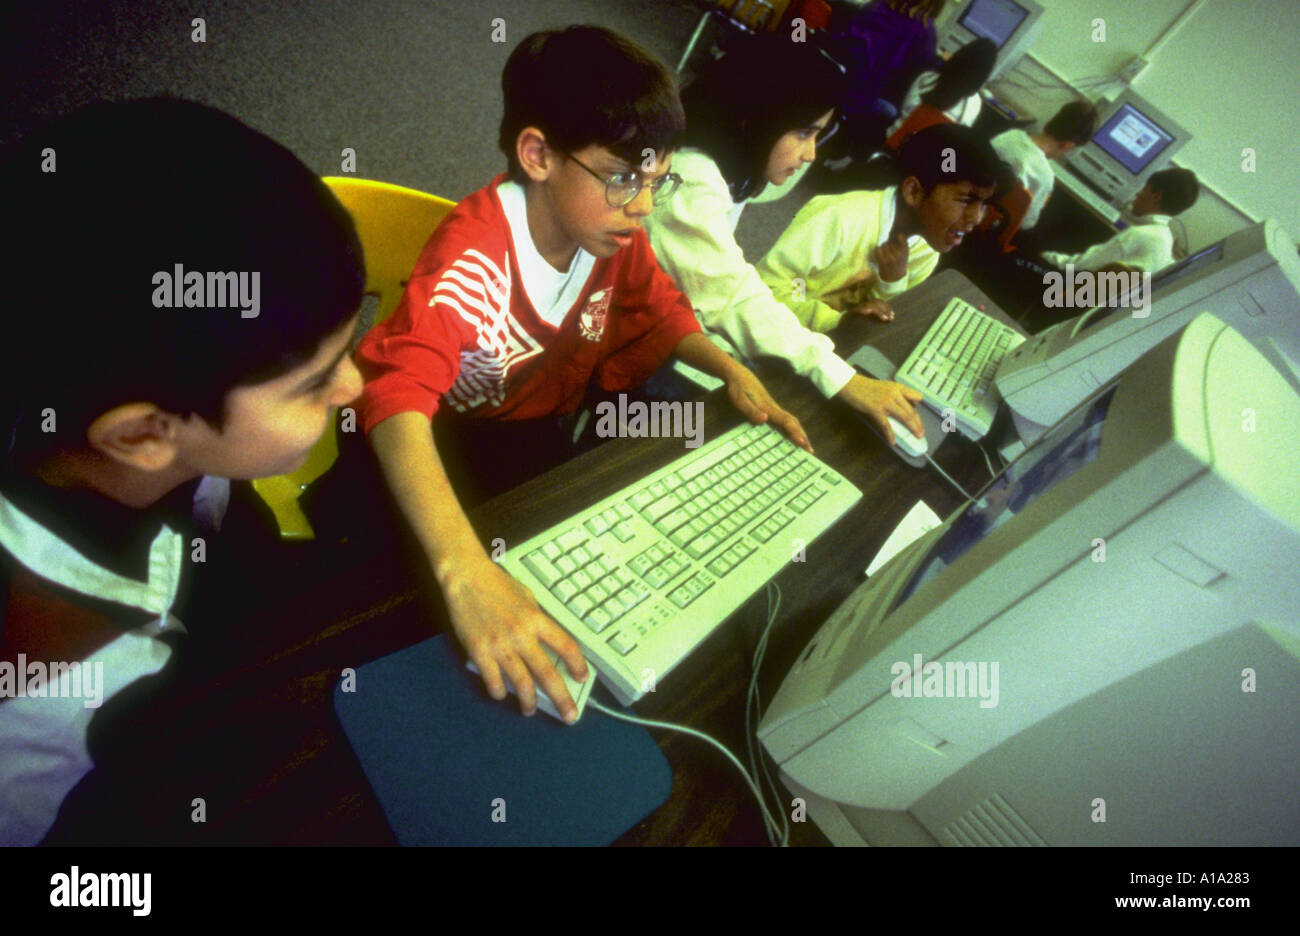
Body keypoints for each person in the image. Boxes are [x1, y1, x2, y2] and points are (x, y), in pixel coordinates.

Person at [354, 26, 809, 724]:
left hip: (534, 424)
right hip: (443, 435)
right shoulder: (473, 266)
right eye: (623, 178)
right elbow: (395, 394)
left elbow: (655, 304)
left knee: (604, 519)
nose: (645, 208)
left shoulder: (605, 233)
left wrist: (728, 369)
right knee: (420, 618)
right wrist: (464, 571)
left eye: (656, 182)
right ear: (537, 155)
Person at [0, 98, 366, 845]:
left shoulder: (122, 417)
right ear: (142, 435)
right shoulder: (64, 700)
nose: (354, 387)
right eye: (312, 384)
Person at [643, 34, 926, 448]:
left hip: (668, 325)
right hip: (624, 352)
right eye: (803, 132)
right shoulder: (692, 181)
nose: (811, 154)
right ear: (754, 116)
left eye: (818, 135)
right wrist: (838, 375)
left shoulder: (721, 167)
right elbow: (732, 296)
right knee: (737, 436)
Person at [756, 123, 1007, 333]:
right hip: (767, 331)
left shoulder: (927, 250)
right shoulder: (841, 217)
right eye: (965, 200)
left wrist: (892, 283)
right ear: (914, 191)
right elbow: (770, 287)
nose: (976, 218)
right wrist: (835, 320)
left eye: (984, 204)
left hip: (823, 346)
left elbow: (883, 321)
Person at [1042, 168, 1199, 273]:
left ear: (1157, 196)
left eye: (1145, 189)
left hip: (1064, 291)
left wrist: (1042, 255)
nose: (1138, 194)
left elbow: (1079, 267)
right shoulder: (1166, 241)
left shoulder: (1139, 234)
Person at [990, 99, 1099, 231]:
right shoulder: (1045, 177)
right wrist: (1040, 205)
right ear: (1068, 145)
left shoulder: (1010, 135)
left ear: (1048, 124)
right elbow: (1025, 222)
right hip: (990, 227)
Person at [886, 37, 997, 138]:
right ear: (983, 75)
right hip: (925, 156)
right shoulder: (974, 103)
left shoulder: (927, 79)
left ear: (959, 56)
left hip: (894, 142)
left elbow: (905, 111)